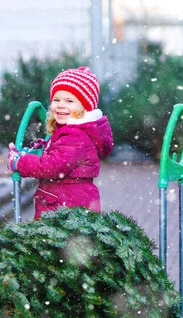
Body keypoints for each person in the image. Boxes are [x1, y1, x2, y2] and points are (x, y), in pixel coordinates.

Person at [7, 66, 114, 219]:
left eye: (69, 101)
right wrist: (33, 153)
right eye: (56, 99)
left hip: (67, 208)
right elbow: (58, 156)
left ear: (85, 108)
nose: (61, 105)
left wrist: (20, 162)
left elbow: (52, 166)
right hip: (64, 203)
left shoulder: (75, 135)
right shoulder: (68, 131)